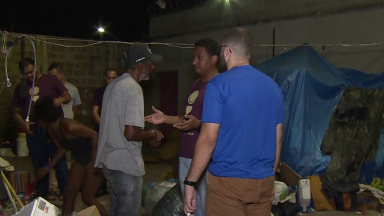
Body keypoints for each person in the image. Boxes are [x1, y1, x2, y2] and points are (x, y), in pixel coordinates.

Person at [183, 27, 284, 216]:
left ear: (227, 51)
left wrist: (190, 182)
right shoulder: (274, 88)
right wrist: (266, 173)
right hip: (263, 184)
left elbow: (208, 139)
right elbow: (277, 138)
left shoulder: (218, 85)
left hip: (227, 185)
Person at [145, 38, 220, 216]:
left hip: (205, 159)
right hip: (186, 156)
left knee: (205, 208)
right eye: (193, 57)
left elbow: (224, 126)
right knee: (190, 208)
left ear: (214, 58)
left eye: (199, 57)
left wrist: (198, 124)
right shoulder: (196, 85)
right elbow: (185, 117)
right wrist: (164, 118)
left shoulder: (220, 86)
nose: (194, 62)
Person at [94, 43, 164, 216]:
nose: (152, 66)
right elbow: (131, 133)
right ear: (140, 66)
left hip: (110, 163)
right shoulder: (134, 89)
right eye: (150, 63)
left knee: (116, 210)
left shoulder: (113, 85)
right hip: (126, 165)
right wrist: (151, 133)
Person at [34, 97, 108, 216]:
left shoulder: (69, 126)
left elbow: (94, 135)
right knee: (69, 192)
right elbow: (62, 148)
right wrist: (47, 167)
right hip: (81, 157)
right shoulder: (51, 130)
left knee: (87, 197)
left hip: (97, 155)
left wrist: (94, 162)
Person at [12, 58, 71, 199]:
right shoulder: (20, 88)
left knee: (60, 163)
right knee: (40, 165)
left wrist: (60, 100)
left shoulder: (50, 80)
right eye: (25, 74)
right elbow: (15, 112)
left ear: (36, 67)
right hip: (34, 131)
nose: (29, 76)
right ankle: (42, 196)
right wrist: (24, 126)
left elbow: (67, 96)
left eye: (31, 71)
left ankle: (67, 193)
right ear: (21, 74)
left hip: (54, 128)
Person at [48, 62, 82, 201]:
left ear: (62, 74)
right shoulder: (51, 88)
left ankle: (66, 189)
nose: (53, 79)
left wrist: (70, 119)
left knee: (65, 161)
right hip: (56, 126)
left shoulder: (72, 89)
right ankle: (54, 188)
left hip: (67, 127)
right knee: (55, 157)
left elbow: (76, 107)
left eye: (55, 76)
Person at [92, 68, 118, 132]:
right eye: (109, 78)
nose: (111, 81)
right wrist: (103, 125)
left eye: (113, 78)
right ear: (105, 77)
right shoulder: (99, 92)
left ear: (117, 78)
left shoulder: (121, 93)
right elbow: (94, 111)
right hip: (102, 127)